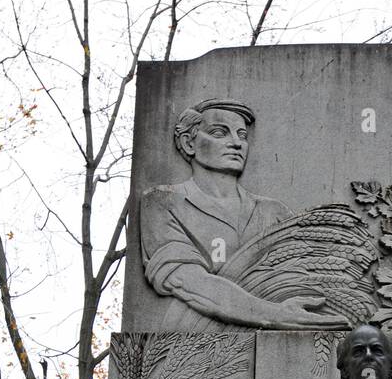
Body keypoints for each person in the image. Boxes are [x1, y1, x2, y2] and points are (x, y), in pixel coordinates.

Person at [140, 99, 345, 331]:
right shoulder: (163, 201)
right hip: (196, 348)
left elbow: (303, 276)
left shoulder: (273, 212)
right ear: (189, 143)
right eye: (220, 133)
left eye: (242, 135)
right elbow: (187, 281)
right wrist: (274, 315)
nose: (237, 143)